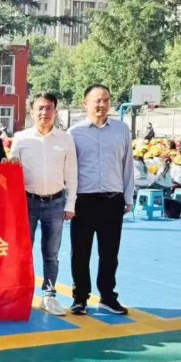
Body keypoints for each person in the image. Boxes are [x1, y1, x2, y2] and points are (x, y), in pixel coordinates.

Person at [9, 93, 77, 317]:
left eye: (49, 108)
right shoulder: (21, 138)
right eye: (39, 108)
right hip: (27, 203)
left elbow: (71, 173)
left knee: (51, 253)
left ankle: (49, 296)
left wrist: (70, 204)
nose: (44, 112)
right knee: (23, 252)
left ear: (55, 111)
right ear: (32, 112)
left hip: (56, 202)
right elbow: (12, 170)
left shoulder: (65, 139)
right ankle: (20, 294)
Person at [68, 84, 134, 316]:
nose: (102, 105)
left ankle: (107, 296)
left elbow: (127, 165)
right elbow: (69, 171)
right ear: (85, 103)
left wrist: (128, 196)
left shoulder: (121, 130)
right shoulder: (74, 133)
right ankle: (80, 297)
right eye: (97, 100)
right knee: (80, 252)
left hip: (112, 200)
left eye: (106, 100)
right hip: (83, 201)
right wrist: (69, 202)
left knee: (109, 253)